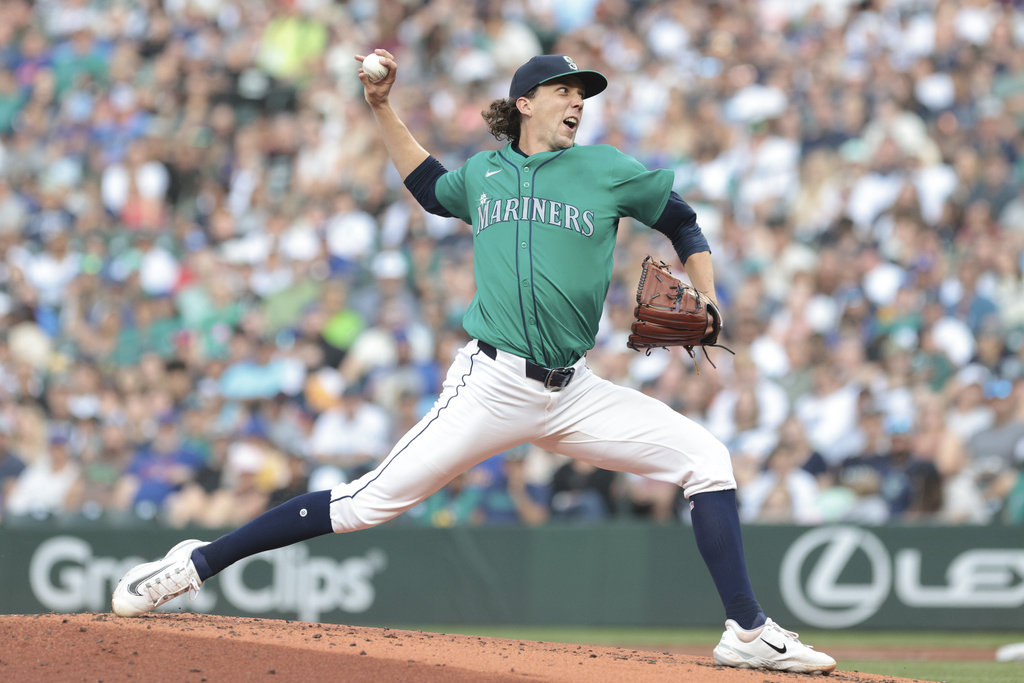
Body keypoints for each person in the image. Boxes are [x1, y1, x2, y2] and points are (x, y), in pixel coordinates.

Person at [110, 51, 835, 675]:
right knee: (366, 504)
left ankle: (746, 632)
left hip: (574, 390)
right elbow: (428, 187)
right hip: (491, 382)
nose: (578, 101)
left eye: (583, 94)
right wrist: (382, 106)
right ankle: (196, 563)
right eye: (564, 91)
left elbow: (680, 219)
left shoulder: (605, 170)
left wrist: (707, 295)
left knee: (708, 458)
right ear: (526, 104)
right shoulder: (484, 175)